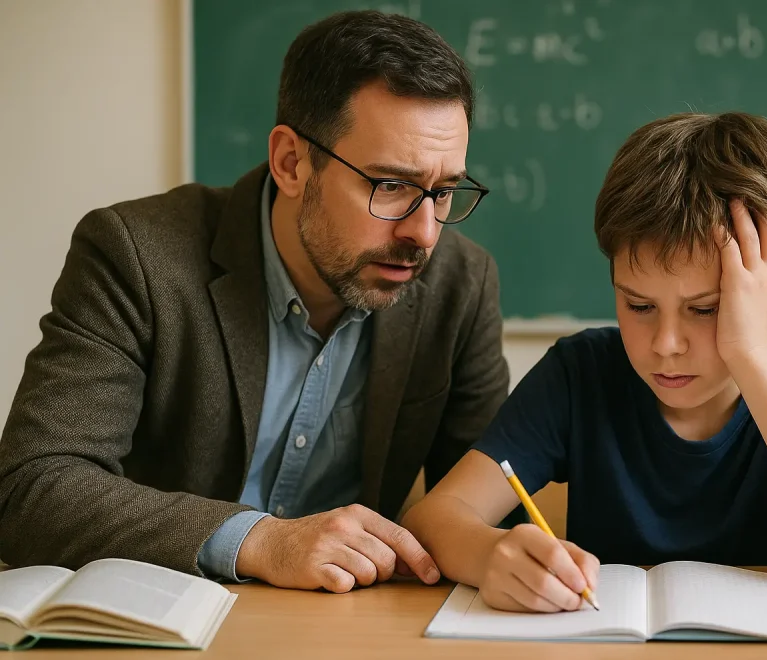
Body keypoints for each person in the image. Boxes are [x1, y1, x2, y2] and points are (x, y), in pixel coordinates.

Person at [0, 10, 510, 594]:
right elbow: (30, 489)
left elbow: (481, 504)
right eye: (390, 185)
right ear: (291, 162)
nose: (424, 233)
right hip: (161, 614)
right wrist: (260, 541)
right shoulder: (136, 255)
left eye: (443, 192)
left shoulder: (461, 284)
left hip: (348, 625)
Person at [402, 111, 767, 612]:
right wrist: (490, 553)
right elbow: (433, 518)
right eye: (639, 306)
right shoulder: (580, 374)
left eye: (706, 309)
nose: (666, 344)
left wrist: (753, 352)